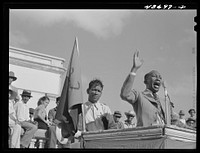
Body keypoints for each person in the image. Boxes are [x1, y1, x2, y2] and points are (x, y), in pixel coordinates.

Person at [120, 51, 166, 127]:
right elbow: (125, 94)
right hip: (146, 136)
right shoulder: (139, 95)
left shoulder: (164, 102)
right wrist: (134, 69)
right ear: (145, 81)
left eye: (160, 77)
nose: (158, 79)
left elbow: (174, 121)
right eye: (154, 76)